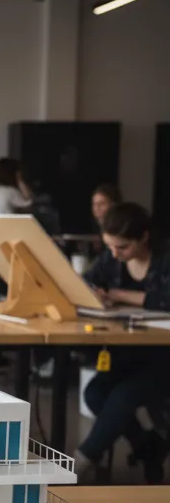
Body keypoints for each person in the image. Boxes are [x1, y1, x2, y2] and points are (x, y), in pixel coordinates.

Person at [79, 202, 170, 484]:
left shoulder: (164, 257)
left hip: (162, 356)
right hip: (127, 351)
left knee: (123, 395)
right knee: (94, 394)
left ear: (143, 237)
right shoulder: (111, 259)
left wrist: (116, 294)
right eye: (111, 247)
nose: (115, 254)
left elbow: (165, 299)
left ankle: (82, 460)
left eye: (122, 247)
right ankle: (148, 447)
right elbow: (87, 284)